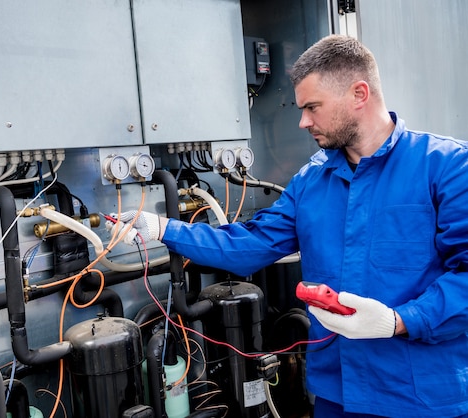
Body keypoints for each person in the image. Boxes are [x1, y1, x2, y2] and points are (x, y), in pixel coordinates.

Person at [112, 34, 468, 417]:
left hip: (422, 396)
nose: (303, 121)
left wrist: (399, 321)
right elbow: (252, 244)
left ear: (359, 94)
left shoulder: (447, 167)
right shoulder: (313, 180)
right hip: (338, 393)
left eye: (312, 107)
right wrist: (163, 229)